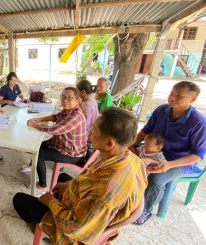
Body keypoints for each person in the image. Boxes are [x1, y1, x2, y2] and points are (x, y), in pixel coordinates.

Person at [13, 108, 147, 244]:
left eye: (94, 130)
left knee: (19, 200)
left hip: (75, 232)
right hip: (89, 210)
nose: (90, 132)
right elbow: (90, 177)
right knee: (63, 178)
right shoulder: (133, 160)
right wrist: (69, 186)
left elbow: (74, 228)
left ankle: (40, 225)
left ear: (109, 143)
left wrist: (51, 202)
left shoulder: (105, 191)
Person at [130, 81, 206, 225]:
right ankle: (126, 197)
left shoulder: (199, 123)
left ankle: (145, 210)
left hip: (178, 160)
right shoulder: (162, 110)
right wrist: (132, 146)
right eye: (171, 94)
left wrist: (169, 165)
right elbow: (147, 130)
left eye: (179, 96)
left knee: (156, 179)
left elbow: (198, 154)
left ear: (193, 99)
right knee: (125, 158)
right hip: (153, 151)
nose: (172, 98)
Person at [19, 87, 87, 194]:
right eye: (63, 97)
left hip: (72, 154)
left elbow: (55, 130)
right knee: (38, 144)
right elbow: (56, 116)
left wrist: (35, 124)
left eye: (70, 98)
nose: (65, 100)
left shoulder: (76, 116)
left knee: (39, 154)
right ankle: (32, 165)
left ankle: (42, 186)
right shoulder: (68, 110)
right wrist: (40, 119)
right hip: (64, 145)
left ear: (77, 100)